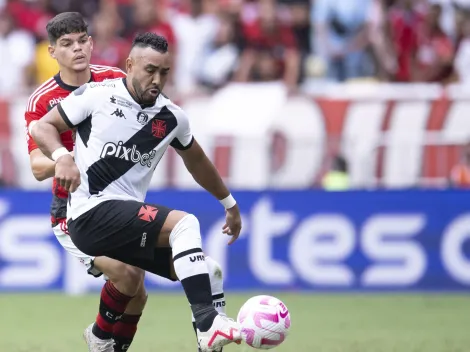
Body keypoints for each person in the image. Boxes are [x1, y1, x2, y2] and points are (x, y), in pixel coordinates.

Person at [25, 13, 228, 352]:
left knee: (139, 292)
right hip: (73, 206)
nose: (77, 49)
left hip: (120, 202)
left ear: (91, 43)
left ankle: (106, 342)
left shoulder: (116, 81)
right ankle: (102, 339)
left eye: (81, 41)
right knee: (128, 277)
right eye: (66, 44)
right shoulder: (43, 100)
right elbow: (35, 166)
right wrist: (69, 157)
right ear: (53, 53)